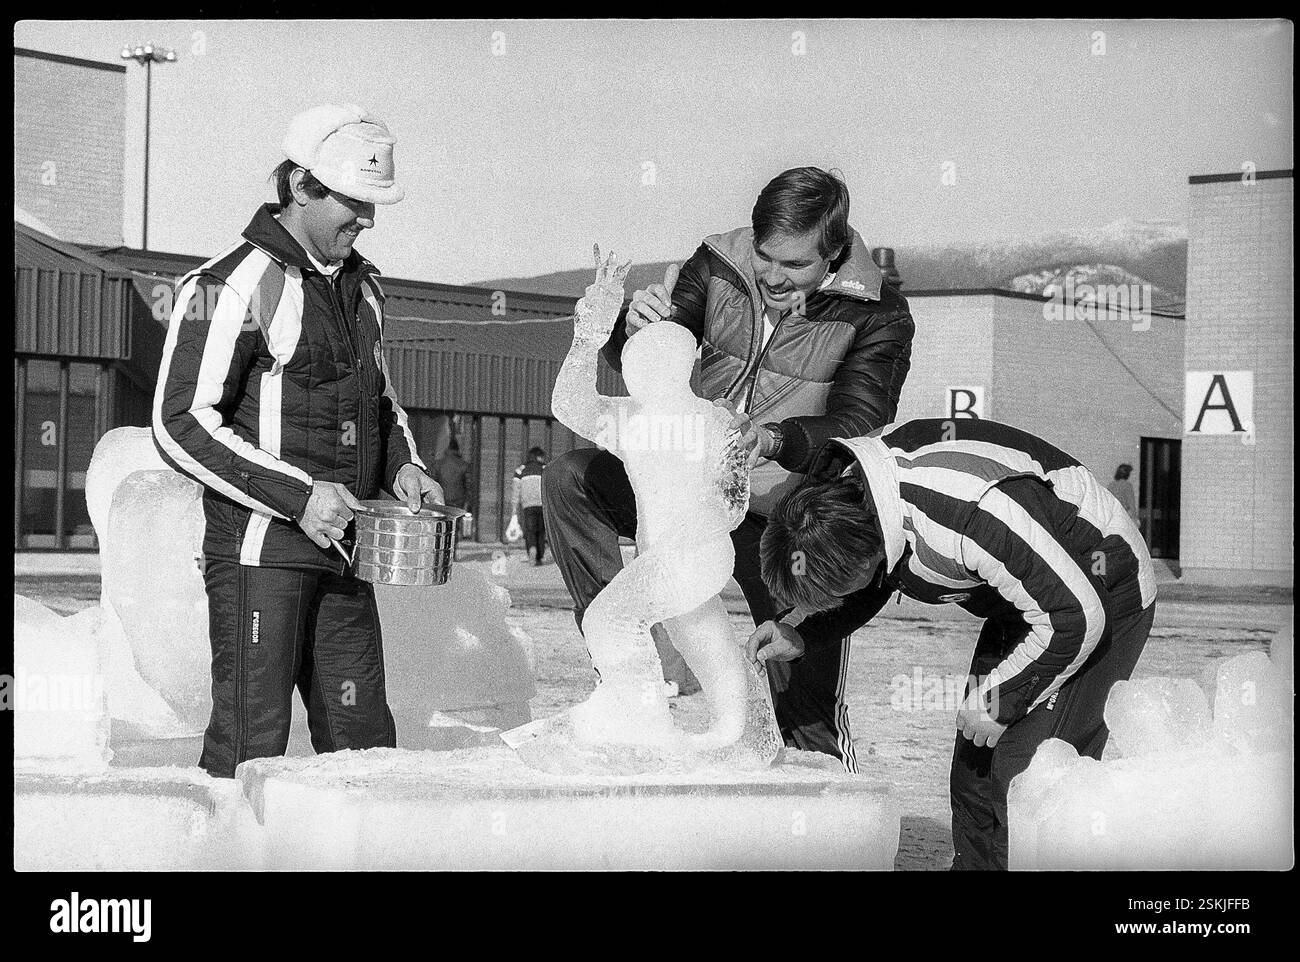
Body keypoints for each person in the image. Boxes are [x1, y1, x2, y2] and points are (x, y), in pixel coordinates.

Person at [543, 167, 914, 771]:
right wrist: (628, 325)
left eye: (793, 266)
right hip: (690, 504)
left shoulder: (878, 315)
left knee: (800, 698)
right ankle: (630, 660)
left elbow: (858, 422)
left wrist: (775, 440)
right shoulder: (717, 264)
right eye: (765, 256)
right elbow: (654, 363)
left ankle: (820, 819)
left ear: (835, 252)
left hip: (786, 513)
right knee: (569, 479)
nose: (772, 276)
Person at [152, 103, 443, 779]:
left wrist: (406, 469)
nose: (367, 220)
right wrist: (300, 496)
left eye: (375, 206)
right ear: (302, 187)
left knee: (364, 735)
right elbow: (180, 422)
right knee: (251, 741)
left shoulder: (364, 291)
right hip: (261, 556)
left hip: (344, 550)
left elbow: (380, 401)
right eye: (354, 202)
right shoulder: (228, 284)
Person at [749, 418, 1157, 869]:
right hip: (1026, 604)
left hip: (1100, 591)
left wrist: (1004, 698)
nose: (835, 603)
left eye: (835, 595)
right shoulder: (850, 507)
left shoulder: (965, 513)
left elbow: (1077, 615)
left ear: (864, 557)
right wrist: (800, 630)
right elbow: (868, 580)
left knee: (1028, 776)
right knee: (975, 776)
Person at [513, 447, 547, 565]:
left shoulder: (520, 470)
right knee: (541, 530)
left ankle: (531, 548)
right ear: (538, 457)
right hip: (542, 505)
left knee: (530, 530)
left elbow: (515, 491)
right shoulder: (544, 469)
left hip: (528, 505)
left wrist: (514, 509)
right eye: (542, 456)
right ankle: (540, 556)